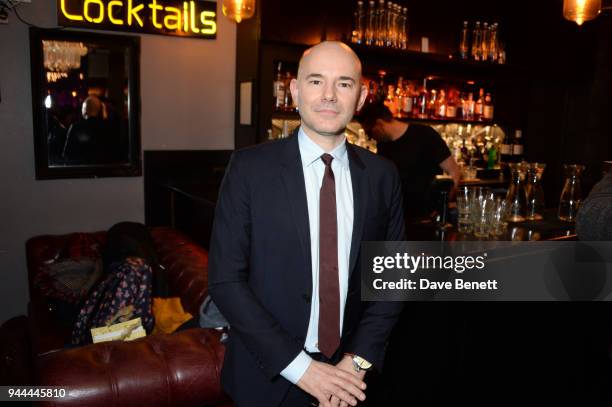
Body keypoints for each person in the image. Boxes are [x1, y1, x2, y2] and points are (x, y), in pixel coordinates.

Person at [209, 41, 405, 407]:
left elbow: (391, 280)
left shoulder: (383, 176)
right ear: (296, 91)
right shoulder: (249, 169)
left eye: (344, 83)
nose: (329, 95)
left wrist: (356, 363)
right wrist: (303, 370)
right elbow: (225, 281)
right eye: (316, 81)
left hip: (352, 381)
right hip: (269, 381)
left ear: (360, 98)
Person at [357, 102, 461, 221]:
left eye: (369, 133)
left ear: (380, 123)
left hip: (426, 219)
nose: (370, 138)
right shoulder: (383, 144)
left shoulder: (425, 134)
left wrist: (441, 207)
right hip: (396, 219)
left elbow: (455, 173)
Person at [62, 95, 111, 165]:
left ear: (84, 109)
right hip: (101, 170)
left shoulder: (76, 127)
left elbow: (67, 154)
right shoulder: (107, 128)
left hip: (80, 171)